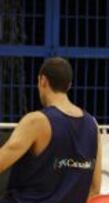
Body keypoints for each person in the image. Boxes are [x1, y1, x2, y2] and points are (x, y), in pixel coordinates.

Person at [0, 57, 101, 203]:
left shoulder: (36, 121)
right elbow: (95, 187)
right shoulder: (93, 125)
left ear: (43, 81)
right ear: (69, 86)